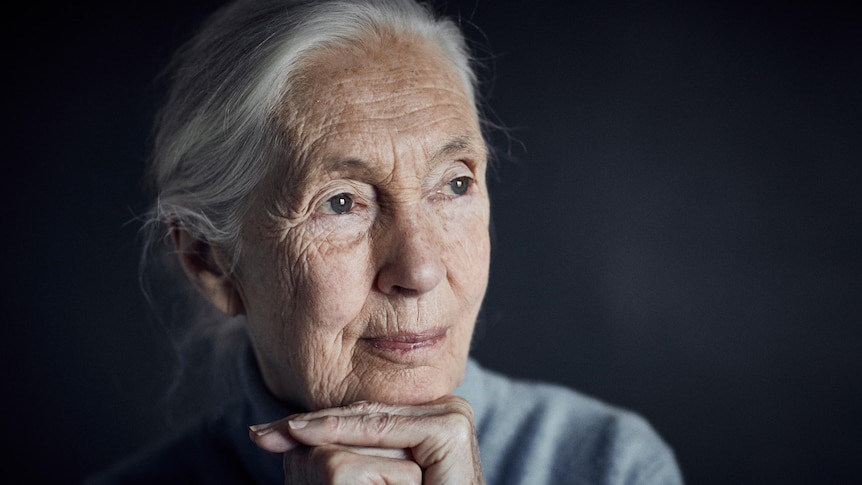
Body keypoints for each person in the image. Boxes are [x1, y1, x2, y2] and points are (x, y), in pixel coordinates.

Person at [87, 0, 683, 483]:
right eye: (341, 202)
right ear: (209, 260)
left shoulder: (611, 465)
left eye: (453, 184)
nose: (419, 270)